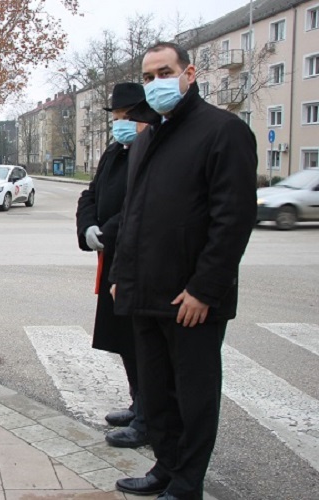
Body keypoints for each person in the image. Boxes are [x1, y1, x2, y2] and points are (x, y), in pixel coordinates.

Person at [110, 42, 257, 500]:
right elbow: (134, 213)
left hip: (190, 300)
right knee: (156, 394)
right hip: (145, 293)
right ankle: (165, 467)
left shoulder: (223, 131)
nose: (156, 83)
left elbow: (232, 219)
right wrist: (121, 274)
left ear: (189, 73)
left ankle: (187, 483)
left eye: (164, 72)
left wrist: (204, 289)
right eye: (149, 76)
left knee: (193, 396)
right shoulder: (149, 136)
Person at [76, 82, 153, 450]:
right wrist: (87, 225)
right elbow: (90, 193)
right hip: (110, 257)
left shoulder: (151, 150)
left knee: (141, 340)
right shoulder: (114, 151)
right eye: (118, 117)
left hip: (136, 258)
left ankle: (149, 416)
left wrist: (105, 230)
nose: (120, 123)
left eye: (126, 117)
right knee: (123, 339)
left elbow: (143, 204)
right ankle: (138, 402)